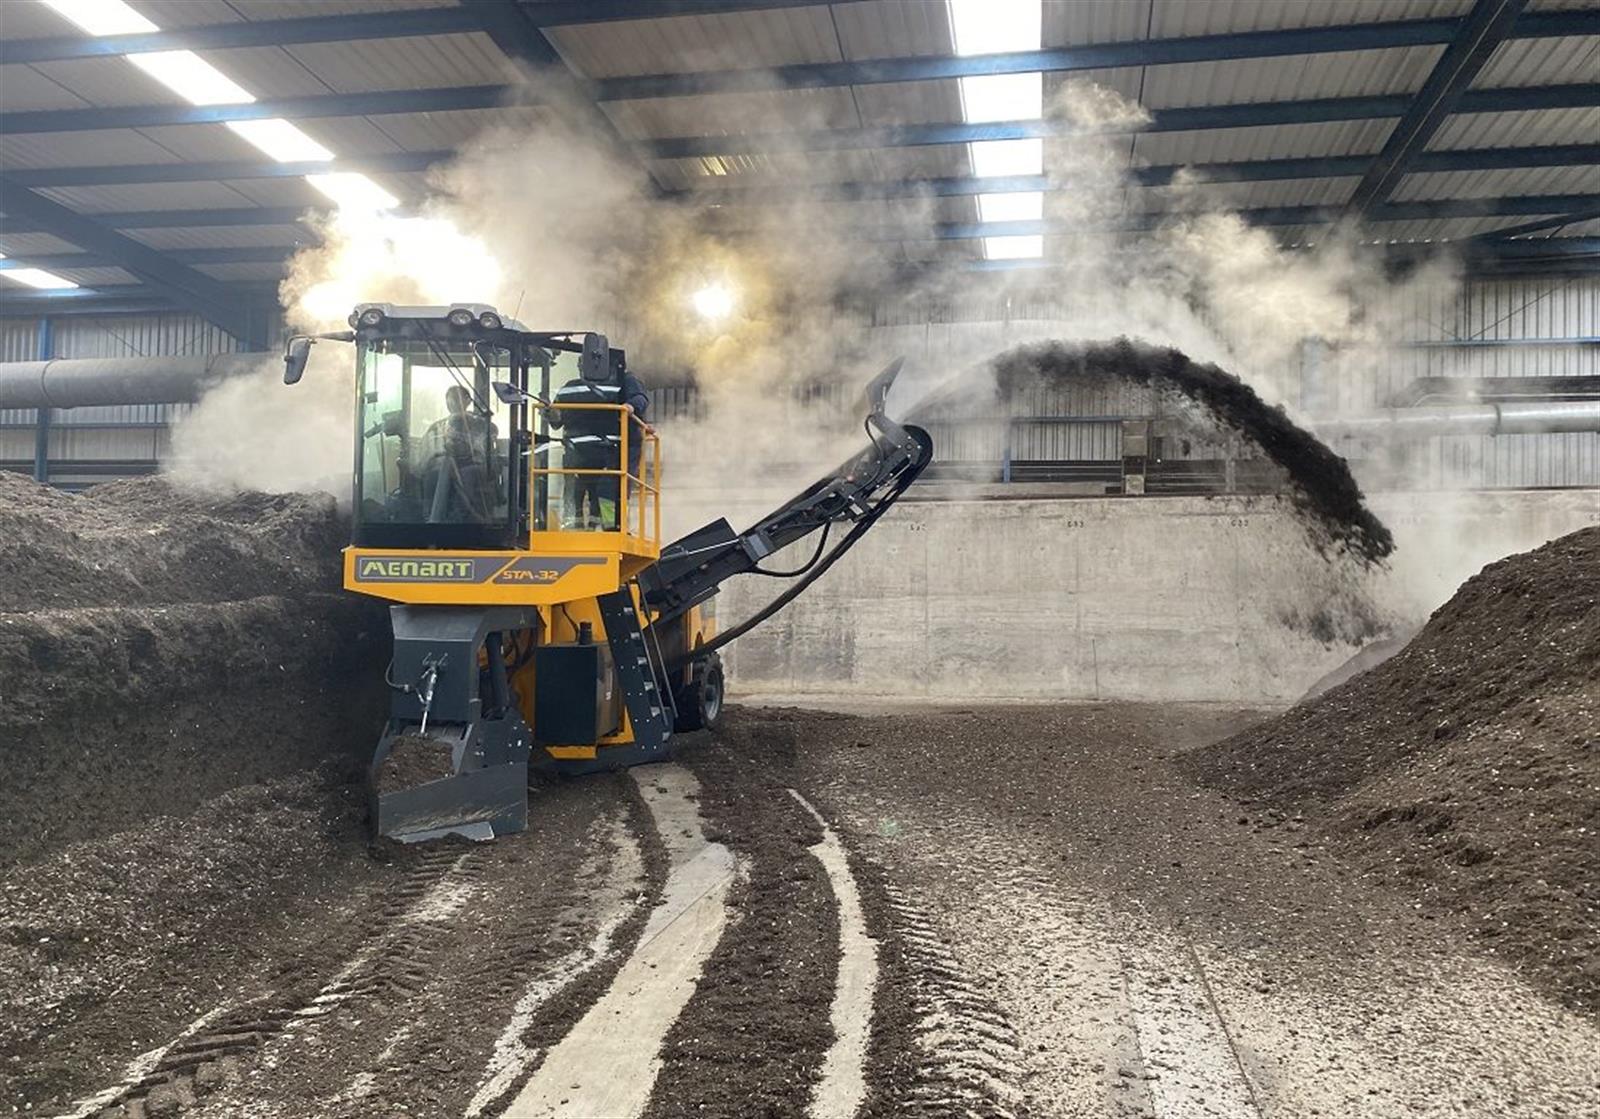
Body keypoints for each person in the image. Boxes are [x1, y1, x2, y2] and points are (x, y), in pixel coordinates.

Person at [419, 384, 497, 523]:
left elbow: (486, 443)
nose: (452, 402)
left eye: (456, 398)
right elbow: (427, 447)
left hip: (470, 465)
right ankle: (430, 518)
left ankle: (466, 519)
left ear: (468, 401)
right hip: (443, 465)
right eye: (449, 399)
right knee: (431, 475)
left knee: (467, 476)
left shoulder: (480, 424)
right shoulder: (437, 426)